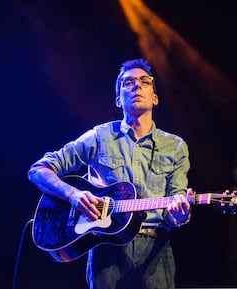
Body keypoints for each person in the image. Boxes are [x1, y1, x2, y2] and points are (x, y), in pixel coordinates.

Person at [28, 58, 193, 289]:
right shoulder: (99, 136)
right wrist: (73, 195)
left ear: (155, 97)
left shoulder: (175, 146)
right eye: (128, 82)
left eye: (145, 82)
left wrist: (180, 215)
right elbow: (39, 169)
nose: (137, 86)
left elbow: (174, 208)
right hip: (106, 250)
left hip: (156, 250)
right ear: (118, 99)